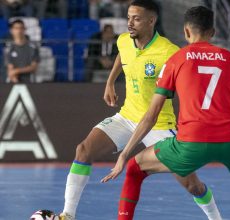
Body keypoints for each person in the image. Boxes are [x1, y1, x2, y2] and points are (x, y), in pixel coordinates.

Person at [101, 6, 230, 220]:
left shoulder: (176, 60)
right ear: (213, 32)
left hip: (191, 143)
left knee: (134, 169)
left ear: (186, 32)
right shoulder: (229, 59)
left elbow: (151, 116)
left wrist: (124, 155)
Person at [59, 1, 221, 220]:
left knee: (192, 185)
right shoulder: (124, 40)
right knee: (83, 150)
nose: (130, 23)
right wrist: (110, 81)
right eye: (128, 18)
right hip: (127, 117)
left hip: (159, 125)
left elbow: (189, 86)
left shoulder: (168, 52)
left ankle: (216, 217)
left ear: (151, 21)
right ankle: (67, 215)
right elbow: (122, 55)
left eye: (136, 18)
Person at [5, 19, 39, 83]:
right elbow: (10, 68)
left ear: (24, 30)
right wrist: (15, 79)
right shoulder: (9, 49)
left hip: (30, 82)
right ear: (11, 30)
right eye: (16, 28)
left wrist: (17, 71)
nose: (19, 31)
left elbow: (34, 67)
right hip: (13, 81)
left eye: (21, 28)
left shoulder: (33, 48)